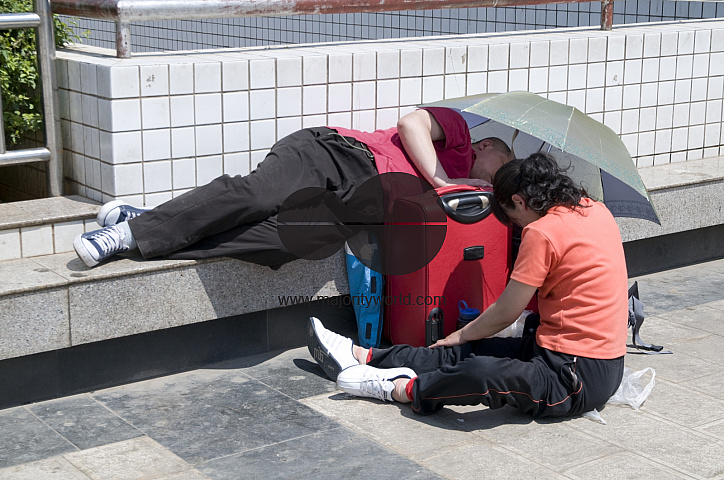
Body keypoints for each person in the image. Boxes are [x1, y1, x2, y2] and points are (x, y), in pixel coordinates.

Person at [308, 153, 628, 418]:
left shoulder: (542, 232)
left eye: (511, 218)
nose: (515, 226)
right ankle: (362, 355)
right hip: (561, 351)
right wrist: (460, 339)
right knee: (465, 350)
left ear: (518, 201)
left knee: (482, 371)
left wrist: (459, 333)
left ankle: (399, 389)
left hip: (576, 376)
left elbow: (505, 313)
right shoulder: (594, 208)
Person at [73, 107, 513, 268]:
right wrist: (443, 179)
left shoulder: (465, 194)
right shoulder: (457, 134)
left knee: (276, 243)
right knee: (257, 195)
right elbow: (410, 122)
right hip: (335, 154)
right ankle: (127, 232)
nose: (493, 178)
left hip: (349, 210)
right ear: (488, 144)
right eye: (501, 166)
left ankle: (142, 231)